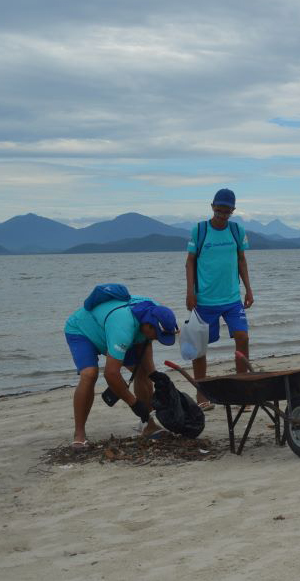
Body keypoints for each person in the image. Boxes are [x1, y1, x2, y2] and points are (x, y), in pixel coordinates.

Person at [64, 287, 179, 449]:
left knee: (143, 374)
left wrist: (154, 374)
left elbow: (144, 345)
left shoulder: (155, 311)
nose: (157, 339)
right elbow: (111, 374)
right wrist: (134, 403)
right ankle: (79, 434)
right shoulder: (123, 326)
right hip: (83, 331)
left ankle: (148, 424)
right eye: (157, 335)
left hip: (113, 331)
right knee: (90, 374)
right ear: (149, 326)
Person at [186, 188, 254, 408]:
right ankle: (202, 394)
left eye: (227, 212)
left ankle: (243, 388)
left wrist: (249, 289)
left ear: (233, 211)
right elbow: (190, 262)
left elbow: (241, 260)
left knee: (242, 337)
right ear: (212, 207)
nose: (222, 215)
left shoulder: (237, 230)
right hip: (205, 300)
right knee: (200, 346)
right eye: (219, 210)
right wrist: (190, 292)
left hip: (232, 299)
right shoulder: (200, 230)